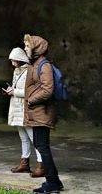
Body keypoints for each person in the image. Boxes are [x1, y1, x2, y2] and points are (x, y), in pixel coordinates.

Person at [24, 34, 64, 193]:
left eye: (27, 46)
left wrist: (31, 100)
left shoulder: (44, 65)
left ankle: (52, 182)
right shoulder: (34, 64)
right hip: (36, 113)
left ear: (35, 48)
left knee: (42, 146)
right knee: (41, 145)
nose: (25, 48)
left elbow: (48, 90)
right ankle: (54, 181)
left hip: (42, 112)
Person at [3, 47, 44, 177]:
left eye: (13, 59)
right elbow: (18, 88)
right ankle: (24, 163)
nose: (12, 62)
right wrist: (11, 90)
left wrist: (14, 92)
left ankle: (42, 165)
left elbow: (30, 92)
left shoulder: (29, 71)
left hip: (25, 108)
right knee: (23, 137)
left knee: (34, 137)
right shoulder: (17, 71)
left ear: (19, 59)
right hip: (16, 107)